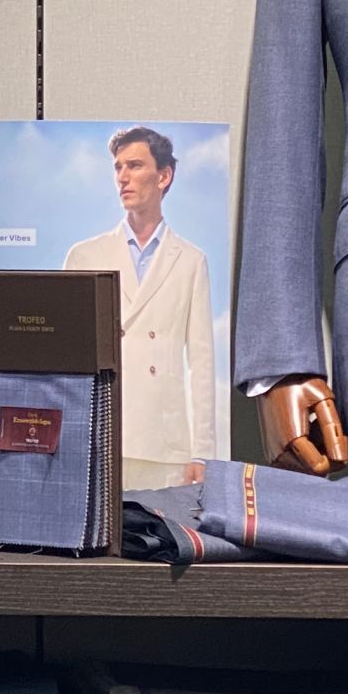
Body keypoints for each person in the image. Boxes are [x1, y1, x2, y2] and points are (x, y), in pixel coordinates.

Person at [63, 126, 214, 489]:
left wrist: (203, 453)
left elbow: (202, 363)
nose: (122, 177)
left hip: (166, 445)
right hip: (100, 435)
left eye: (134, 165)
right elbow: (67, 359)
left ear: (163, 176)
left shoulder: (191, 260)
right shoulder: (84, 256)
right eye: (118, 167)